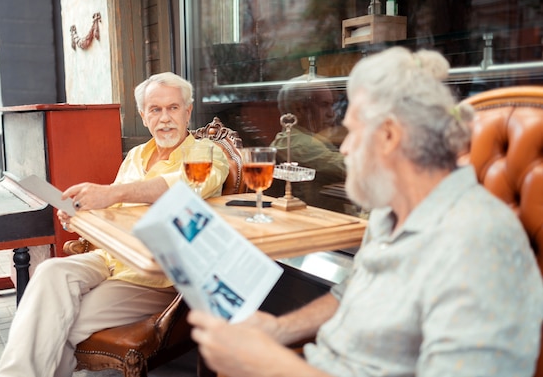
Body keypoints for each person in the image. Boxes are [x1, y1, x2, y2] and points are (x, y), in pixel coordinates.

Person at [188, 47, 543, 377]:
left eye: (353, 132)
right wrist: (277, 330)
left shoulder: (480, 242)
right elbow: (352, 293)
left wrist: (267, 363)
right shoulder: (390, 213)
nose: (344, 148)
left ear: (389, 135)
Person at [0, 72, 229, 377]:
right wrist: (80, 217)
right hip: (108, 257)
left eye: (173, 108)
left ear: (188, 111)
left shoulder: (206, 154)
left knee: (55, 325)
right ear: (144, 117)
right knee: (51, 271)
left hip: (154, 274)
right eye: (155, 110)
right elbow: (112, 211)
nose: (165, 118)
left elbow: (184, 187)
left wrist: (111, 192)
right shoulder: (135, 156)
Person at [269, 75, 349, 212]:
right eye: (324, 105)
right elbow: (349, 168)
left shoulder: (305, 138)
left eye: (332, 105)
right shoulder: (299, 143)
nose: (332, 114)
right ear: (299, 109)